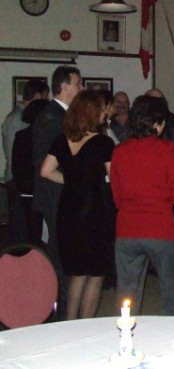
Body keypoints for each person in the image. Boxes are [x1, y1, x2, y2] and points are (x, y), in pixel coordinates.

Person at [110, 95, 174, 316]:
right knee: (171, 293)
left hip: (127, 228)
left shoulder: (119, 151)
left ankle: (126, 333)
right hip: (161, 228)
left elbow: (116, 194)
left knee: (127, 294)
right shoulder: (169, 149)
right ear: (158, 123)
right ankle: (173, 333)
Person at [40, 90, 115, 320]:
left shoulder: (61, 140)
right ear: (92, 112)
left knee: (77, 273)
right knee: (96, 274)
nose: (104, 113)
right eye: (101, 109)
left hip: (69, 210)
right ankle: (86, 326)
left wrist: (72, 180)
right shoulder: (103, 142)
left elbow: (45, 171)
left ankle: (70, 324)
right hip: (95, 210)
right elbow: (115, 178)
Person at [32, 65, 82, 320]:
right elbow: (44, 164)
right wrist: (74, 181)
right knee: (60, 256)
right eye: (78, 83)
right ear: (64, 86)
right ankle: (60, 315)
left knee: (65, 254)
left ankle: (64, 312)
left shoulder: (60, 115)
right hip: (55, 197)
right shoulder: (52, 117)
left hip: (60, 196)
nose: (81, 88)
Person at [2, 78, 49, 244]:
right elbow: (15, 156)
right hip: (20, 183)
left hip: (21, 181)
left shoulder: (18, 118)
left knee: (27, 228)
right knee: (24, 230)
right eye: (46, 96)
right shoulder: (18, 119)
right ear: (38, 96)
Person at [12, 99, 50, 245]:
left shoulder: (22, 135)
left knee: (31, 231)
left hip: (27, 190)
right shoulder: (44, 135)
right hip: (38, 189)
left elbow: (17, 165)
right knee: (40, 231)